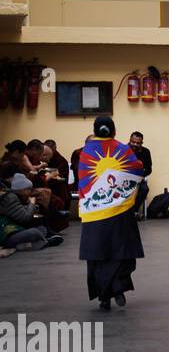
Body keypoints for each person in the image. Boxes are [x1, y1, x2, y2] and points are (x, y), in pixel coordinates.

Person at [78, 117, 145, 311]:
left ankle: (103, 297)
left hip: (95, 213)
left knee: (98, 254)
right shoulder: (123, 149)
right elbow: (137, 168)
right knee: (120, 251)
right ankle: (117, 289)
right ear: (114, 130)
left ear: (95, 130)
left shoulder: (86, 152)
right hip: (119, 211)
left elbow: (84, 180)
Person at [0, 165, 64, 256]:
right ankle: (46, 242)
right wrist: (32, 204)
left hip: (14, 229)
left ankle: (25, 245)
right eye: (28, 189)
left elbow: (20, 211)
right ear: (21, 189)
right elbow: (25, 217)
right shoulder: (10, 198)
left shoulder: (15, 196)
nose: (30, 191)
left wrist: (33, 206)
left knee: (42, 229)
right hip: (5, 235)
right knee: (34, 232)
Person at [128, 132, 153, 219]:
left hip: (139, 178)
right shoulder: (124, 150)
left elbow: (149, 169)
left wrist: (142, 176)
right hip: (124, 179)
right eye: (133, 142)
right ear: (129, 140)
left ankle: (134, 211)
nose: (134, 144)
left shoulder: (146, 152)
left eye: (137, 143)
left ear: (141, 143)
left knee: (144, 189)